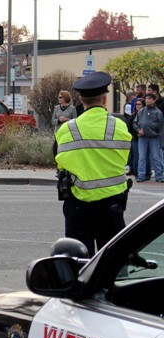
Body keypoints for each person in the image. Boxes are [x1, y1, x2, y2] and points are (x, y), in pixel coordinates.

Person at [55, 71, 132, 256]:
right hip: (112, 206)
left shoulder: (67, 129)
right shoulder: (119, 126)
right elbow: (126, 158)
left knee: (78, 264)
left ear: (80, 100)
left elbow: (58, 162)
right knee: (114, 265)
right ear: (105, 99)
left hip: (78, 206)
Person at [132, 93, 163, 183]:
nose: (147, 100)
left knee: (155, 157)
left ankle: (159, 176)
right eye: (146, 98)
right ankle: (141, 175)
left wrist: (161, 139)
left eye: (149, 98)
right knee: (142, 156)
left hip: (154, 138)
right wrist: (138, 130)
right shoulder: (141, 111)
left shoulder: (158, 112)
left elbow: (161, 127)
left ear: (154, 100)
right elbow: (135, 123)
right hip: (143, 138)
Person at [51, 90, 77, 156]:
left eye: (60, 97)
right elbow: (53, 121)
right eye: (59, 97)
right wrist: (59, 120)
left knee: (65, 151)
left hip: (67, 133)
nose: (59, 99)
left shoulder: (72, 108)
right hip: (58, 133)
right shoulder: (56, 108)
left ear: (65, 98)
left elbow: (75, 121)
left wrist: (66, 119)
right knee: (55, 150)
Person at [125, 97, 144, 177]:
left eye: (139, 104)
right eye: (136, 104)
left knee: (141, 156)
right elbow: (129, 125)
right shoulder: (133, 115)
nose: (137, 106)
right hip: (135, 138)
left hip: (143, 137)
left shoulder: (143, 114)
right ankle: (136, 172)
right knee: (136, 155)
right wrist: (132, 134)